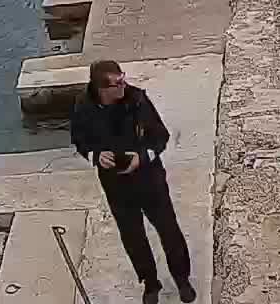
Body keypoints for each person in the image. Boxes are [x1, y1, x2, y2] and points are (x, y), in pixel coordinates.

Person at [70, 61, 195, 304]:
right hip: (116, 185)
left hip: (149, 179)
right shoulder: (83, 107)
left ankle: (181, 278)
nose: (123, 85)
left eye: (123, 79)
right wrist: (96, 156)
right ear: (101, 89)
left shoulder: (137, 100)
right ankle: (150, 282)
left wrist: (143, 156)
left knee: (169, 230)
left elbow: (160, 135)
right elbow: (79, 139)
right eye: (117, 83)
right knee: (132, 235)